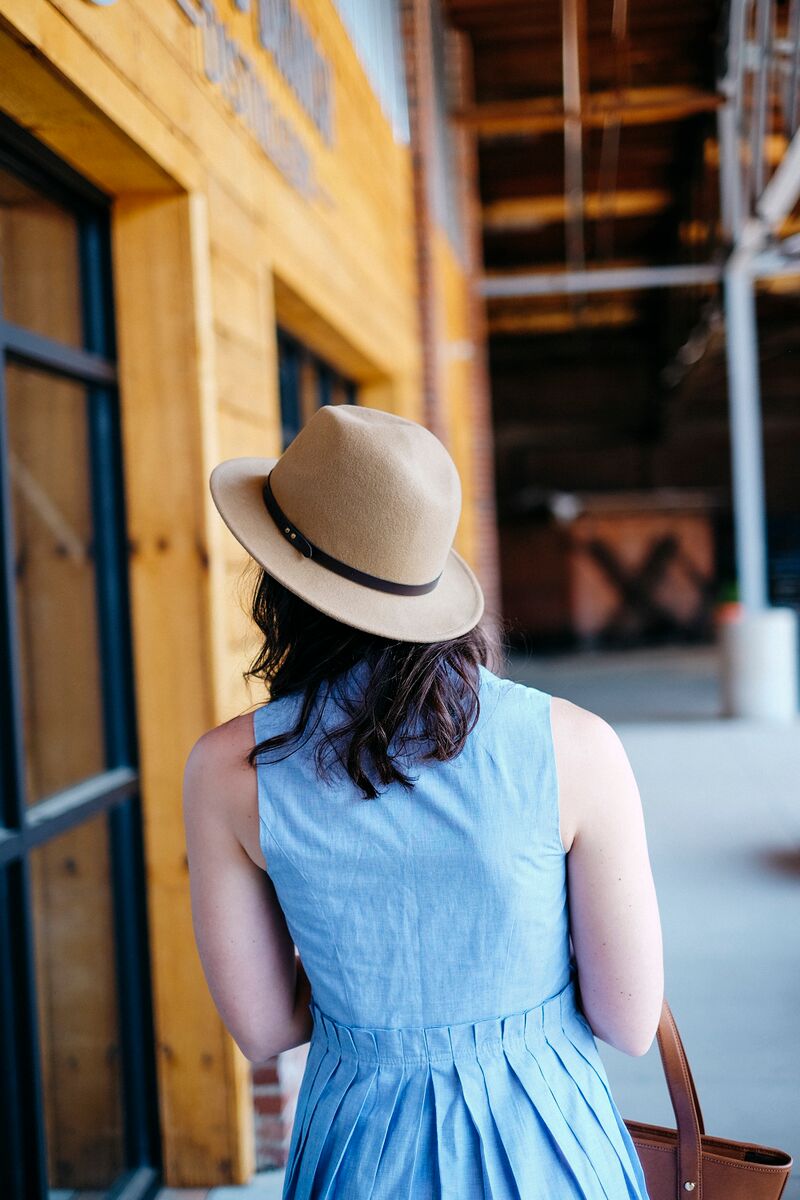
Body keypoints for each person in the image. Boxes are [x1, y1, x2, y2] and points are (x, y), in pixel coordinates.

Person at [182, 403, 663, 1199]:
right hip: (550, 1148)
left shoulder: (228, 768)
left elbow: (266, 1028)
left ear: (279, 586)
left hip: (359, 1153)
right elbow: (629, 1020)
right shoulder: (577, 745)